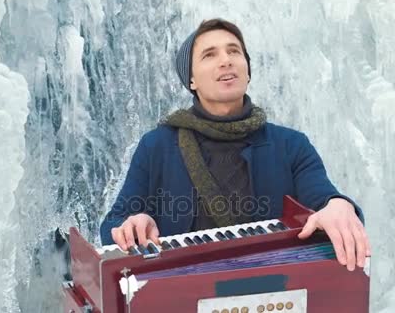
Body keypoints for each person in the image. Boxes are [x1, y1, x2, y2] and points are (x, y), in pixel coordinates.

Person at [100, 18, 371, 271]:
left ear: (248, 71)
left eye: (234, 51)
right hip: (179, 295)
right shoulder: (156, 146)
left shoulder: (291, 145)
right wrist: (130, 226)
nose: (226, 61)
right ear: (191, 80)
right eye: (209, 55)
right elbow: (112, 224)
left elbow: (324, 197)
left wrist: (339, 205)